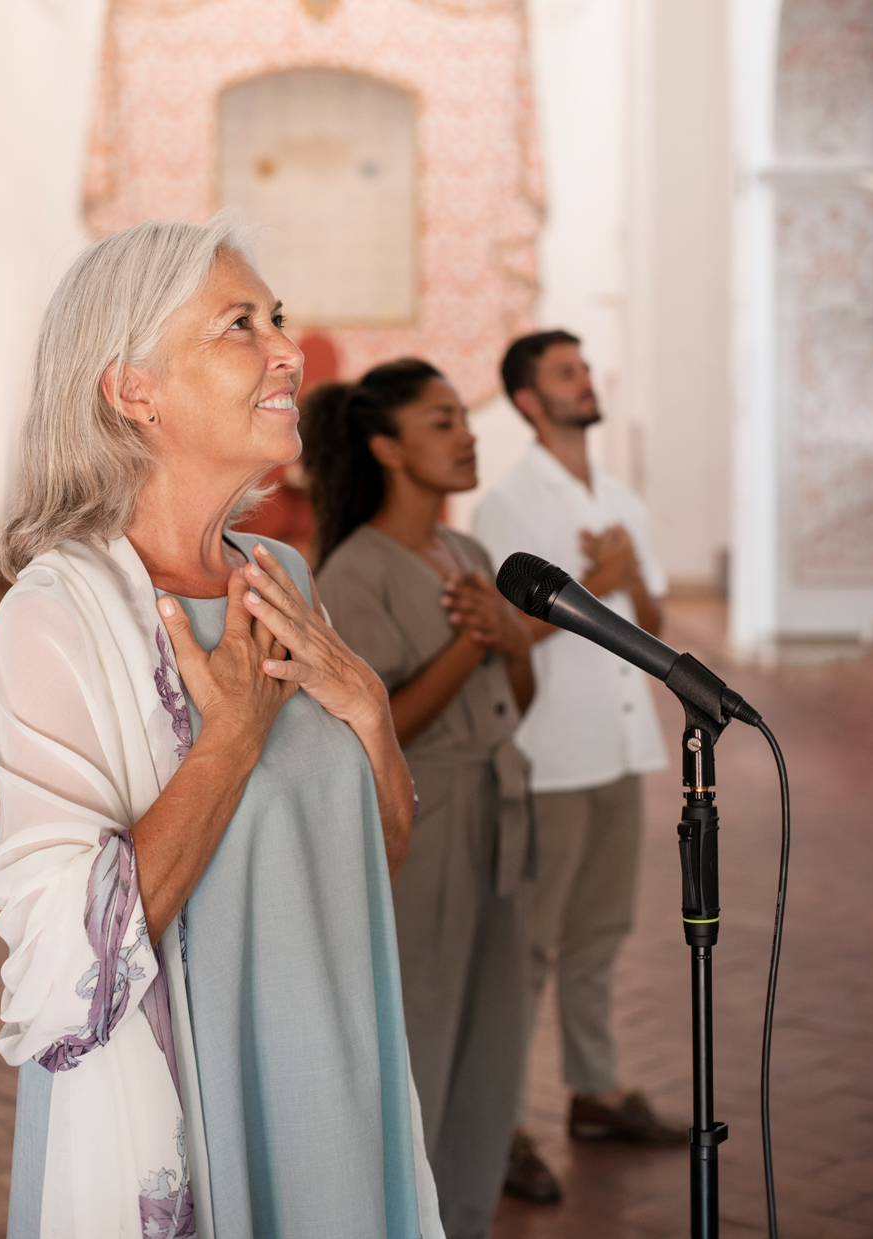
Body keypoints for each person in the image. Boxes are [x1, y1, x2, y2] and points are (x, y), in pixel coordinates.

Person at [0, 218, 445, 1239]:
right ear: (131, 387)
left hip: (341, 1087)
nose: (290, 351)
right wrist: (229, 742)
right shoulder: (58, 616)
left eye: (277, 318)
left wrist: (365, 707)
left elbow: (369, 862)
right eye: (241, 324)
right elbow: (68, 957)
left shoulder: (283, 581)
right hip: (203, 1108)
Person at [301, 360, 537, 1239]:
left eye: (461, 419)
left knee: (494, 1043)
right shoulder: (355, 570)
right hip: (423, 821)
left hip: (502, 812)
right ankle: (405, 1218)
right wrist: (477, 643)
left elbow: (519, 695)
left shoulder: (471, 554)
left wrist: (509, 637)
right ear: (387, 447)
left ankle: (467, 1217)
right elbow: (380, 719)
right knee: (425, 1032)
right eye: (442, 422)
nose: (467, 434)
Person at [472, 330, 686, 1202]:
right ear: (529, 399)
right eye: (566, 373)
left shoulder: (622, 496)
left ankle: (596, 1091)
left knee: (600, 938)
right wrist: (594, 589)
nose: (585, 382)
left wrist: (631, 575)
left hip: (622, 742)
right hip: (551, 751)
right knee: (530, 949)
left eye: (586, 369)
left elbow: (658, 619)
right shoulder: (508, 507)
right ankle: (503, 1119)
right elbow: (502, 632)